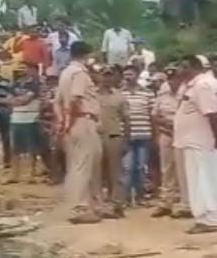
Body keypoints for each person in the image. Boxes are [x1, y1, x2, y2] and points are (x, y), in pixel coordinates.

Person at [57, 41, 104, 224]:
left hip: (74, 121)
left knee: (83, 163)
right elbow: (76, 98)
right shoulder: (79, 73)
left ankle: (92, 204)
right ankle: (81, 207)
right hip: (82, 119)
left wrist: (63, 121)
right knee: (83, 165)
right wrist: (73, 118)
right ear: (86, 55)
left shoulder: (65, 73)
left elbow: (58, 102)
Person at [173, 56, 217, 233]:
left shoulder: (203, 85)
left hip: (202, 141)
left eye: (182, 67)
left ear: (192, 67)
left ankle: (211, 219)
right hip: (192, 142)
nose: (179, 71)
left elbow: (212, 114)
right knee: (198, 180)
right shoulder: (193, 85)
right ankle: (204, 217)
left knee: (204, 180)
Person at [152, 68, 191, 218]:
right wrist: (165, 123)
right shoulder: (162, 96)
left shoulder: (186, 93)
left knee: (183, 170)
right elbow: (155, 115)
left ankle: (184, 203)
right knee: (166, 169)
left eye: (174, 78)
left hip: (183, 134)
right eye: (170, 79)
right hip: (166, 133)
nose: (172, 82)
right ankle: (165, 202)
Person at [94, 66, 128, 218]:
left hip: (114, 136)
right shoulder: (91, 96)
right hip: (95, 137)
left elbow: (127, 120)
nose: (106, 78)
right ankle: (99, 205)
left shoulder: (119, 96)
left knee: (115, 173)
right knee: (97, 173)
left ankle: (117, 205)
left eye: (109, 75)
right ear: (99, 76)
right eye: (104, 75)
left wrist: (126, 140)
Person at [121, 67, 155, 206]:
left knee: (141, 167)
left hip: (144, 134)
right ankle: (127, 198)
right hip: (126, 136)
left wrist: (154, 134)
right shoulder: (120, 94)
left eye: (131, 74)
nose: (128, 76)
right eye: (125, 74)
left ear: (137, 75)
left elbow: (152, 115)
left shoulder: (147, 93)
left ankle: (140, 197)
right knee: (127, 167)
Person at [8, 63, 43, 183]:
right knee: (15, 149)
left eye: (24, 68)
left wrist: (16, 100)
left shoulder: (35, 84)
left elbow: (26, 99)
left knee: (31, 148)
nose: (21, 70)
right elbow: (7, 100)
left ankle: (30, 175)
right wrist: (18, 101)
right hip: (16, 118)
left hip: (30, 118)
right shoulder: (14, 84)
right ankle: (14, 175)